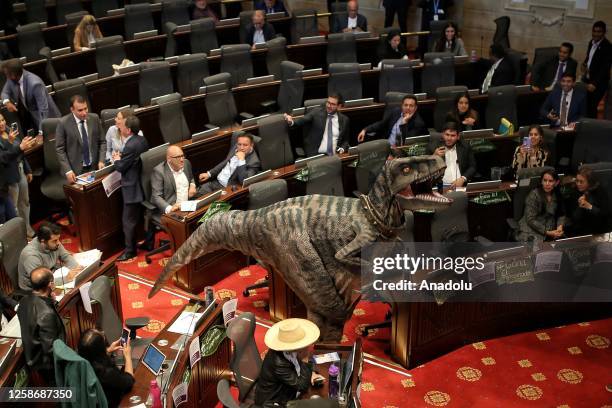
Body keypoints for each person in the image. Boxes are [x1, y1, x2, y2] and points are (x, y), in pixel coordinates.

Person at [255, 318, 325, 407]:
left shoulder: (292, 351)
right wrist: (305, 359)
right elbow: (302, 386)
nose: (307, 346)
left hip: (288, 391)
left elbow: (298, 363)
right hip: (273, 402)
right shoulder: (278, 363)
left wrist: (312, 372)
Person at [17, 267, 66, 385]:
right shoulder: (46, 314)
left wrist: (51, 302)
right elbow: (51, 349)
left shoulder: (23, 301)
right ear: (51, 284)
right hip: (49, 367)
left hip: (33, 358)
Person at [146, 145, 196, 248]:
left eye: (182, 155)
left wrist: (192, 185)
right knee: (186, 228)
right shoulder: (159, 172)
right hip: (172, 209)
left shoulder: (186, 163)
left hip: (187, 205)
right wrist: (170, 208)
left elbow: (191, 178)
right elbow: (156, 196)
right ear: (169, 159)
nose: (182, 159)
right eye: (178, 157)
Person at [113, 116, 148, 261]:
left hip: (132, 188)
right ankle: (148, 242)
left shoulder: (130, 145)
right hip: (143, 184)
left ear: (128, 130)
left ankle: (130, 251)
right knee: (138, 218)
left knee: (128, 222)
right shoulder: (142, 140)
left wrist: (116, 160)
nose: (119, 128)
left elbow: (121, 167)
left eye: (122, 127)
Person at [55, 95, 106, 184]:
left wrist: (101, 160)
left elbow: (102, 142)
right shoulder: (63, 123)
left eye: (85, 108)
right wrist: (68, 170)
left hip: (94, 167)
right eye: (80, 110)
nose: (84, 113)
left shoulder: (94, 118)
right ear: (72, 109)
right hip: (75, 170)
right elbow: (60, 150)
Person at [78, 328, 135, 408]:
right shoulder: (107, 373)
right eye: (102, 337)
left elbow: (92, 357)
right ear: (101, 348)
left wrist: (108, 351)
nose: (103, 332)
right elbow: (129, 381)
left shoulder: (80, 364)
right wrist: (128, 356)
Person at [18, 221, 81, 291]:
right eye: (55, 240)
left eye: (58, 239)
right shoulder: (31, 256)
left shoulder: (53, 243)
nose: (58, 243)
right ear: (43, 241)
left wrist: (76, 268)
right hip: (35, 288)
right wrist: (66, 278)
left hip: (51, 273)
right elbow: (41, 282)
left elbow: (65, 256)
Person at [1, 58, 60, 132]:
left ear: (13, 75)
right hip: (32, 115)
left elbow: (43, 110)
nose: (6, 76)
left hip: (49, 119)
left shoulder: (35, 83)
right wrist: (7, 102)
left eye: (6, 74)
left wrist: (41, 132)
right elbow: (4, 92)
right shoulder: (12, 79)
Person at [0, 113, 34, 236]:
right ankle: (19, 235)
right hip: (8, 177)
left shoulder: (10, 129)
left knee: (25, 202)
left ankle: (28, 229)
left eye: (3, 119)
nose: (2, 123)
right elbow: (4, 158)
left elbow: (21, 150)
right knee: (13, 208)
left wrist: (28, 169)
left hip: (20, 169)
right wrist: (10, 142)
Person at [284, 93, 350, 157]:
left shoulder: (344, 120)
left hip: (334, 154)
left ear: (339, 106)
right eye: (328, 102)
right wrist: (291, 122)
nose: (329, 106)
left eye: (332, 104)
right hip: (316, 153)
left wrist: (342, 149)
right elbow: (298, 122)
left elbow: (345, 140)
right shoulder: (316, 112)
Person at [515, 170, 565, 243]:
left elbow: (561, 213)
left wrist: (559, 227)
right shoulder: (534, 195)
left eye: (550, 181)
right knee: (537, 250)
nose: (547, 184)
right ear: (541, 181)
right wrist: (547, 232)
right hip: (531, 230)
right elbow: (530, 219)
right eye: (544, 180)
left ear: (556, 183)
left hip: (550, 228)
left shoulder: (557, 195)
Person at [357, 94, 427, 146]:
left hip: (400, 152)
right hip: (386, 145)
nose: (408, 108)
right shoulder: (396, 112)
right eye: (405, 105)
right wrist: (365, 130)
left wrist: (404, 123)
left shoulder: (418, 123)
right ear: (402, 106)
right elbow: (382, 123)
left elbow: (406, 143)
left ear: (415, 108)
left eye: (411, 106)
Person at [562, 166, 611, 237]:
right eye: (577, 181)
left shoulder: (600, 191)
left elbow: (605, 214)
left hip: (598, 230)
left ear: (590, 182)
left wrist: (589, 206)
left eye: (581, 182)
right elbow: (573, 217)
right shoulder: (575, 191)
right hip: (580, 230)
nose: (578, 184)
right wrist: (580, 206)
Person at [428, 122, 476, 188]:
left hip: (461, 186)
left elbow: (472, 167)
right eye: (447, 135)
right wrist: (434, 156)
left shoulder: (465, 147)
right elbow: (423, 169)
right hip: (440, 187)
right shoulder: (433, 147)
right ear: (442, 134)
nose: (449, 138)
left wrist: (462, 179)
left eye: (453, 135)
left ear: (458, 136)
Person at [581, 21, 612, 118]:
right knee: (584, 105)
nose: (596, 34)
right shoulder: (591, 42)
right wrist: (585, 63)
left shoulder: (608, 47)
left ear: (604, 33)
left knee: (592, 107)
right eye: (594, 31)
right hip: (588, 79)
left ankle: (592, 129)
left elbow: (605, 68)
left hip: (598, 83)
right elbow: (589, 56)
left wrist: (594, 83)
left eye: (599, 32)